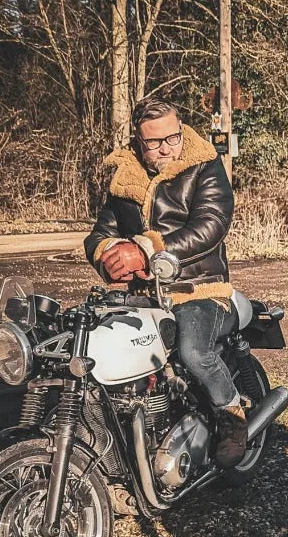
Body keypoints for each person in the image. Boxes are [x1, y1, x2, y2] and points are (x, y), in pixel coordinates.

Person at [85, 97, 248, 467]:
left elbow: (211, 224)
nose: (166, 148)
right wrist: (108, 254)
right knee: (99, 344)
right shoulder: (125, 175)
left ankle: (232, 417)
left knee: (194, 351)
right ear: (138, 143)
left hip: (200, 286)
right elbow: (100, 232)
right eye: (154, 142)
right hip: (143, 294)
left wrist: (146, 251)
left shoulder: (204, 165)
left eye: (172, 138)